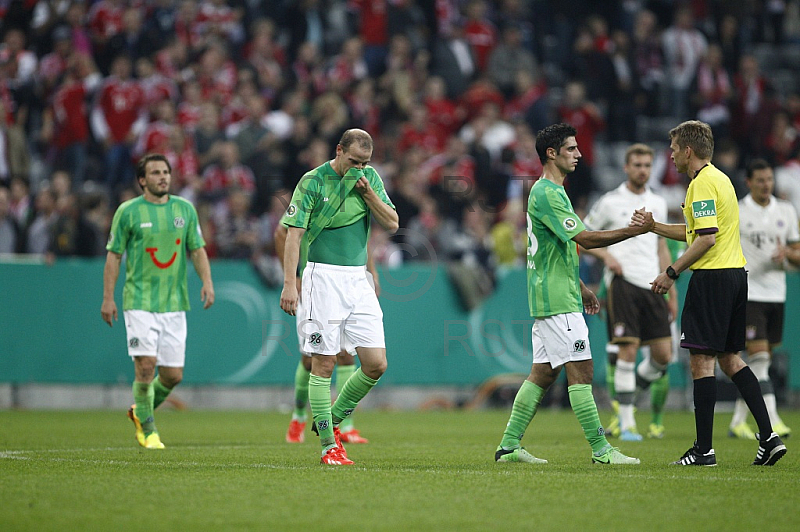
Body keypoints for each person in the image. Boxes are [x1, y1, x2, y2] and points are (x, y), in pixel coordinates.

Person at [631, 120, 787, 466]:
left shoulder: (701, 185)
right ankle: (769, 437)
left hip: (712, 278)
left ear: (688, 150)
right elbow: (697, 231)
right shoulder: (721, 180)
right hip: (735, 276)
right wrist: (654, 226)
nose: (670, 156)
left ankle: (704, 450)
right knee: (731, 359)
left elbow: (705, 239)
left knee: (701, 361)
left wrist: (671, 272)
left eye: (673, 149)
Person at [494, 123, 651, 466]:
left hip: (556, 293)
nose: (579, 155)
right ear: (551, 154)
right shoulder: (547, 192)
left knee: (543, 373)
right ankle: (601, 450)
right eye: (571, 149)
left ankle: (508, 446)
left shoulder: (552, 192)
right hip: (555, 300)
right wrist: (632, 231)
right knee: (582, 371)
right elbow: (586, 239)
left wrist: (580, 287)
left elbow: (558, 250)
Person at [279, 129, 398, 465]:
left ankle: (328, 418)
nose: (359, 168)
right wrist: (290, 283)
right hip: (322, 278)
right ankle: (330, 446)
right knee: (324, 362)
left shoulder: (369, 178)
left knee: (376, 364)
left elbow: (392, 223)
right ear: (339, 151)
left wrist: (369, 195)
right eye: (354, 161)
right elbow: (294, 234)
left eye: (365, 163)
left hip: (357, 280)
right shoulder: (313, 181)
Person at [101, 153, 214, 449]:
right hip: (138, 300)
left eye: (165, 172)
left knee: (173, 375)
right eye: (155, 173)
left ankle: (140, 409)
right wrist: (108, 298)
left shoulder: (185, 209)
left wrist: (207, 282)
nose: (163, 176)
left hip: (175, 303)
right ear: (142, 180)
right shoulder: (127, 212)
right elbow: (113, 255)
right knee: (146, 365)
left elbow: (197, 249)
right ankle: (148, 429)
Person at [582, 143, 676, 441]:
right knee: (627, 350)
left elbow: (661, 245)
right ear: (626, 167)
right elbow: (582, 238)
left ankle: (628, 397)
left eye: (647, 165)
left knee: (663, 356)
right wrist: (607, 256)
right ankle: (626, 423)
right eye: (637, 164)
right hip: (622, 283)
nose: (642, 170)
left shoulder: (658, 203)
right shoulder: (610, 202)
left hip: (653, 284)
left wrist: (670, 288)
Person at [275, 222, 379, 444]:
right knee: (310, 360)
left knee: (346, 355)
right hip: (317, 284)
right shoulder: (312, 192)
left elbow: (363, 239)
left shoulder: (360, 195)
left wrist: (373, 273)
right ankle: (299, 416)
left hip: (353, 283)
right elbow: (281, 233)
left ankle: (345, 425)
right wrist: (292, 277)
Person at [728, 159, 799, 440]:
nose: (766, 184)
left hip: (776, 293)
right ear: (748, 182)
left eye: (769, 179)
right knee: (759, 358)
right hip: (750, 292)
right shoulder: (739, 211)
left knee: (760, 363)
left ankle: (736, 420)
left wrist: (788, 256)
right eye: (760, 180)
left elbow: (797, 251)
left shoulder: (786, 210)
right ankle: (773, 418)